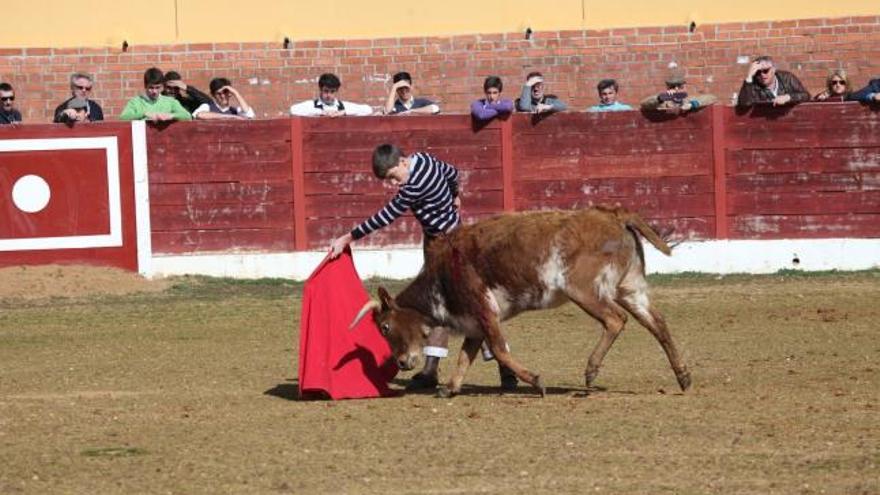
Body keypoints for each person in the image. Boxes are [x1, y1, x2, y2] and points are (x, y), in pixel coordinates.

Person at [328, 144, 517, 391]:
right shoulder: (426, 159)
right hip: (445, 240)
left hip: (447, 249)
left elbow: (385, 216)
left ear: (404, 162)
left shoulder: (412, 187)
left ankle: (506, 369)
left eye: (394, 177)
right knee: (441, 307)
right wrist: (455, 194)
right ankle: (432, 370)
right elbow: (452, 172)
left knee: (467, 308)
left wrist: (347, 238)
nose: (394, 184)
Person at [119, 67, 192, 122]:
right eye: (151, 88)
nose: (154, 91)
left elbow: (187, 116)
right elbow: (123, 118)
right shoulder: (135, 102)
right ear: (145, 86)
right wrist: (144, 113)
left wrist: (171, 116)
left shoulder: (170, 101)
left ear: (162, 86)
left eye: (157, 88)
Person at [736, 55, 810, 108]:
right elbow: (744, 104)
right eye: (758, 72)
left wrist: (788, 97)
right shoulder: (752, 85)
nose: (762, 75)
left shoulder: (787, 78)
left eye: (765, 71)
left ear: (773, 70)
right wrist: (749, 77)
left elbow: (806, 96)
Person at [290, 73, 373, 117]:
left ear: (336, 91)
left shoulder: (343, 106)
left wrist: (343, 112)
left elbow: (368, 109)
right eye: (326, 91)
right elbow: (293, 110)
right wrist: (321, 112)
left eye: (332, 92)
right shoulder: (312, 105)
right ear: (320, 89)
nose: (329, 95)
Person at [640, 73, 717, 113]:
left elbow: (712, 98)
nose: (676, 89)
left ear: (684, 87)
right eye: (673, 87)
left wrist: (692, 104)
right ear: (668, 88)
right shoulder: (663, 102)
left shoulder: (688, 100)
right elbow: (644, 104)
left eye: (679, 86)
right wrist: (660, 98)